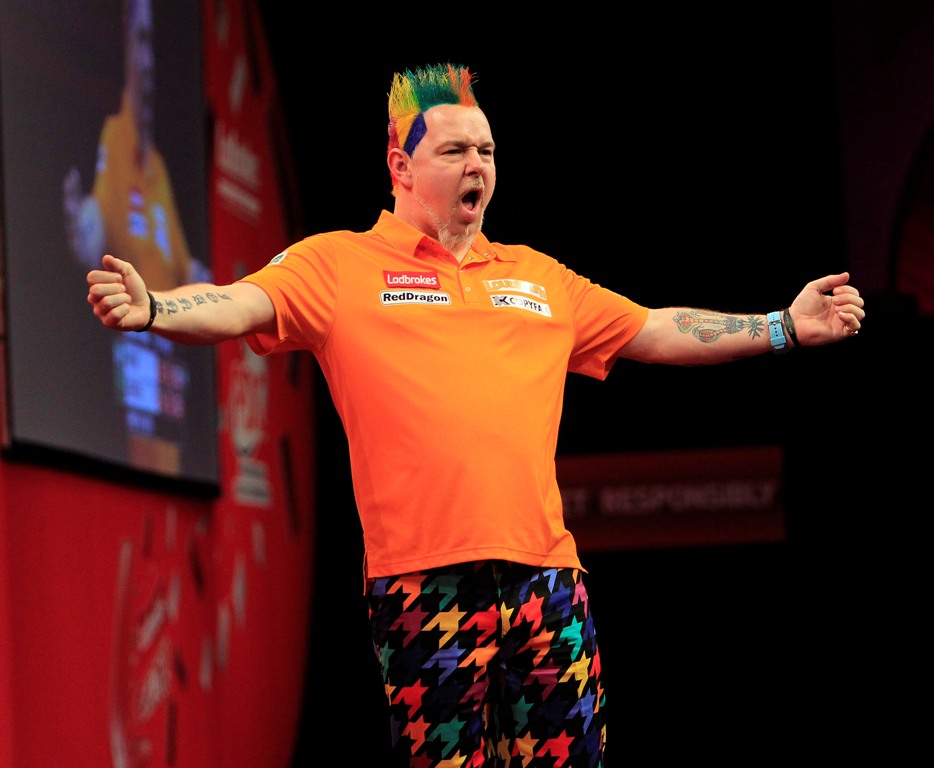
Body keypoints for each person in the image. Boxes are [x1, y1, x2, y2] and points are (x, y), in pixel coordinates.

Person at [86, 63, 865, 766]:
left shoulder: (539, 277)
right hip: (422, 585)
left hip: (546, 578)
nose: (478, 166)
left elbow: (657, 329)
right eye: (456, 150)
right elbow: (236, 302)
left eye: (487, 151)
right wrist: (156, 307)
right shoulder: (336, 266)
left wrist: (782, 326)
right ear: (401, 166)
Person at [63, 0, 210, 288]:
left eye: (151, 45)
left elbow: (184, 268)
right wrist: (83, 231)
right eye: (141, 40)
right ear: (127, 48)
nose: (149, 64)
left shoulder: (158, 167)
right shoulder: (114, 137)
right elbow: (98, 219)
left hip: (167, 316)